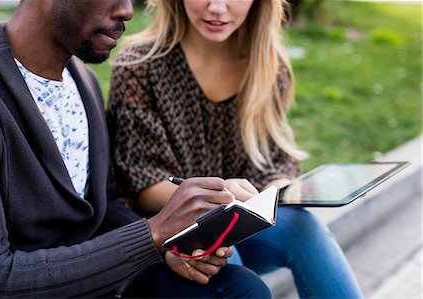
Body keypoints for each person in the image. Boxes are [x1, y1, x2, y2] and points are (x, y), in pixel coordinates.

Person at [0, 0, 272, 298]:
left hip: (102, 283)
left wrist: (170, 245)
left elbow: (104, 208)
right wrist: (152, 233)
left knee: (241, 287)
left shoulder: (83, 82)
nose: (127, 11)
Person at [107, 0, 364, 298]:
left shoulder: (267, 63)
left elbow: (276, 159)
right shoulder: (140, 64)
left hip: (246, 223)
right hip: (173, 237)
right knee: (221, 249)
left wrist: (281, 191)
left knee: (304, 228)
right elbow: (140, 182)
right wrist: (219, 199)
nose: (217, 8)